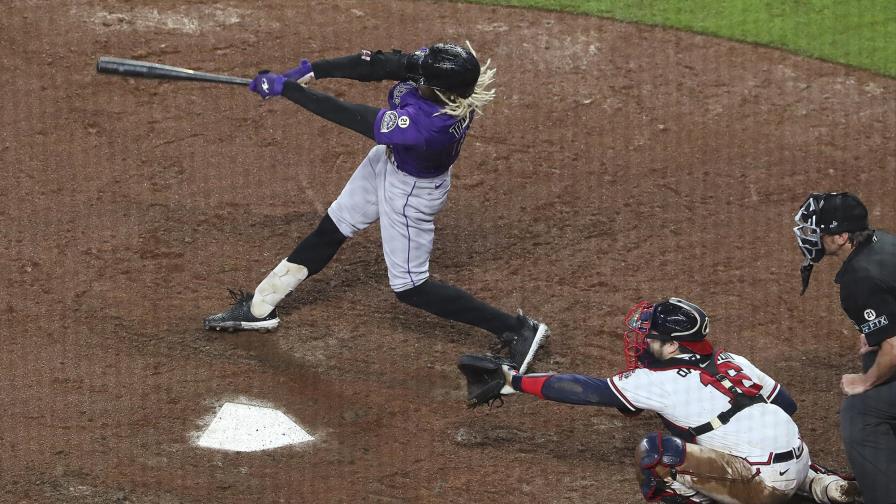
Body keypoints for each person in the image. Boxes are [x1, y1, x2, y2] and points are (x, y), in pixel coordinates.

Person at [203, 43, 548, 373]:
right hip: (388, 162)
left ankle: (517, 329)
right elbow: (385, 63)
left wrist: (288, 91)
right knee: (334, 226)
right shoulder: (445, 80)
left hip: (412, 192)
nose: (417, 76)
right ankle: (259, 308)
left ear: (441, 91)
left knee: (412, 287)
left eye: (424, 80)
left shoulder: (430, 127)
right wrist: (314, 70)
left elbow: (352, 116)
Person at [495, 298, 859, 503]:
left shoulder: (658, 380)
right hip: (800, 461)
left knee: (657, 455)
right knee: (754, 432)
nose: (642, 342)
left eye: (650, 337)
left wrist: (514, 381)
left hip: (762, 487)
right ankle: (826, 487)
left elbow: (584, 389)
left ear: (673, 346)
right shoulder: (733, 361)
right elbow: (786, 405)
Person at [794, 192, 896, 503]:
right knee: (876, 355)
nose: (809, 237)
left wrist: (865, 382)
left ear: (840, 237)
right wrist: (879, 332)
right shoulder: (884, 242)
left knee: (861, 410)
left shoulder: (859, 277)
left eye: (816, 231)